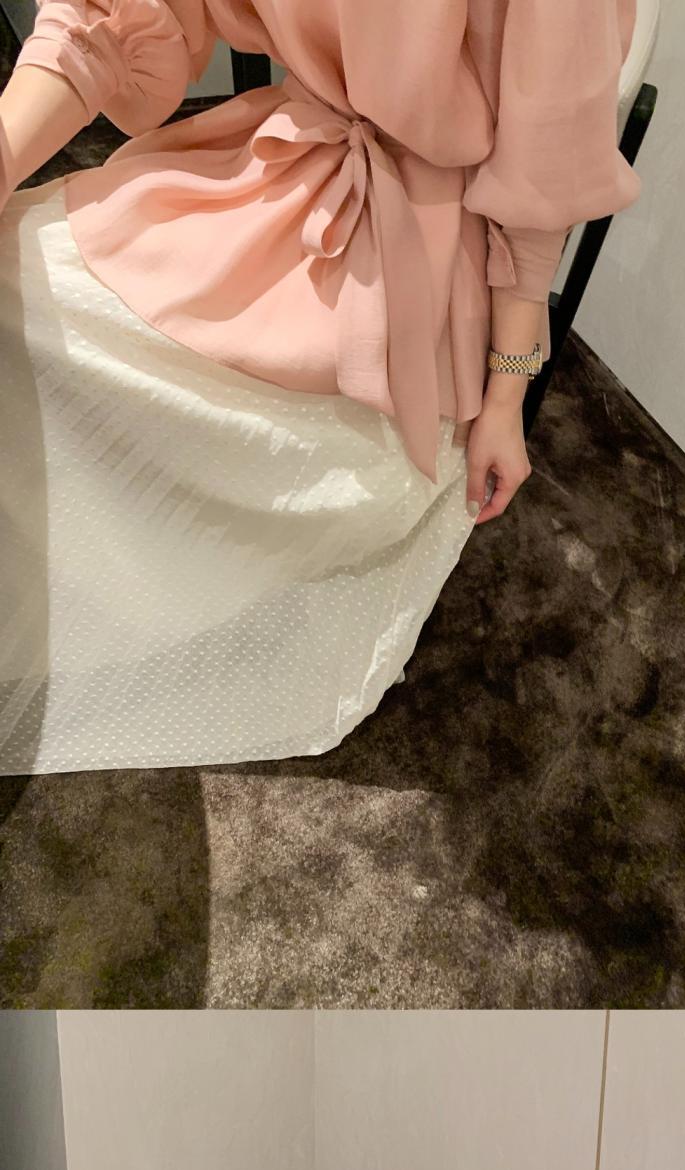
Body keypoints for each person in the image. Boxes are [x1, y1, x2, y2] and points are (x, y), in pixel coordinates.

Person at [0, 5, 640, 771]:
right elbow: (106, 21)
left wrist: (507, 395)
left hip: (428, 249)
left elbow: (541, 170)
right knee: (22, 279)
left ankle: (163, 587)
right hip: (279, 169)